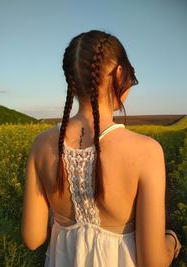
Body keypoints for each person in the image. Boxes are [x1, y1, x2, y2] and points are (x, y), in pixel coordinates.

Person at [21, 30, 182, 267]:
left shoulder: (41, 145)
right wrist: (171, 241)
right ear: (119, 73)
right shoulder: (147, 152)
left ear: (72, 81)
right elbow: (153, 262)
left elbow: (33, 239)